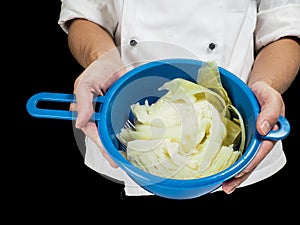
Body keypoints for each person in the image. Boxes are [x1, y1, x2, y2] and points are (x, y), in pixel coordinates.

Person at [58, 0, 300, 196]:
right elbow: (85, 15)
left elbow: (282, 32)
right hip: (118, 155)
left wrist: (264, 85)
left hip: (237, 158)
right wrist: (103, 59)